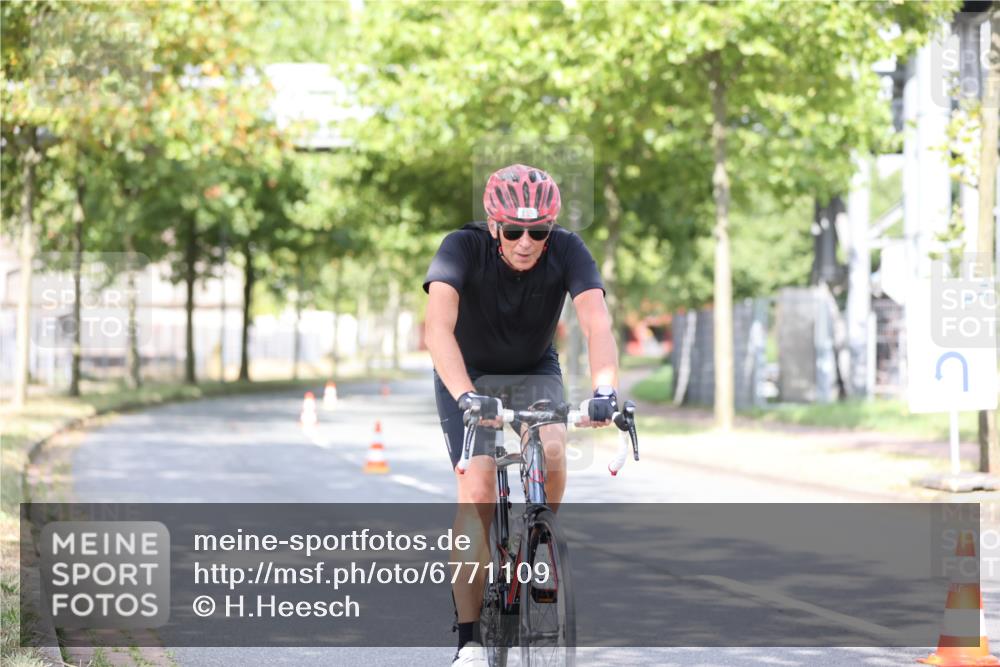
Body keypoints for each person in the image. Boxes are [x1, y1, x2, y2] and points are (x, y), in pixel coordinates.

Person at [422, 164, 621, 666]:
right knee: (479, 490)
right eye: (514, 231)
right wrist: (467, 396)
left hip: (534, 367)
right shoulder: (459, 248)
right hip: (468, 375)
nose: (527, 242)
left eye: (538, 231)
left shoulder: (570, 249)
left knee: (553, 449)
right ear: (494, 227)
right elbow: (437, 330)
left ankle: (539, 539)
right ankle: (468, 641)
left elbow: (597, 324)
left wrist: (604, 390)